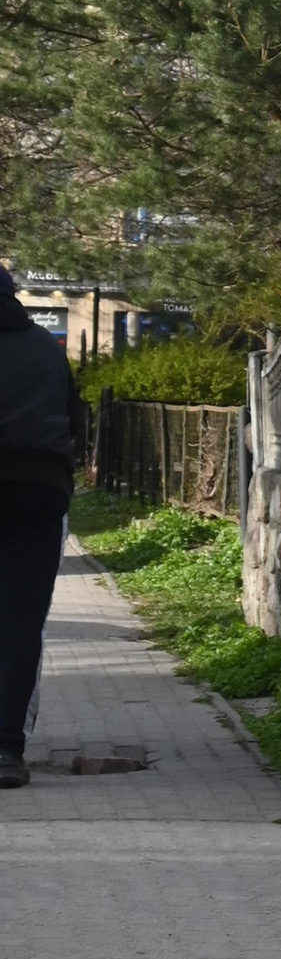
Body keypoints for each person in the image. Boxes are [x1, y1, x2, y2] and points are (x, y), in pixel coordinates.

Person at [0, 266, 78, 788]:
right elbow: (75, 420)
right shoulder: (47, 350)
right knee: (20, 621)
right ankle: (5, 750)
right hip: (36, 491)